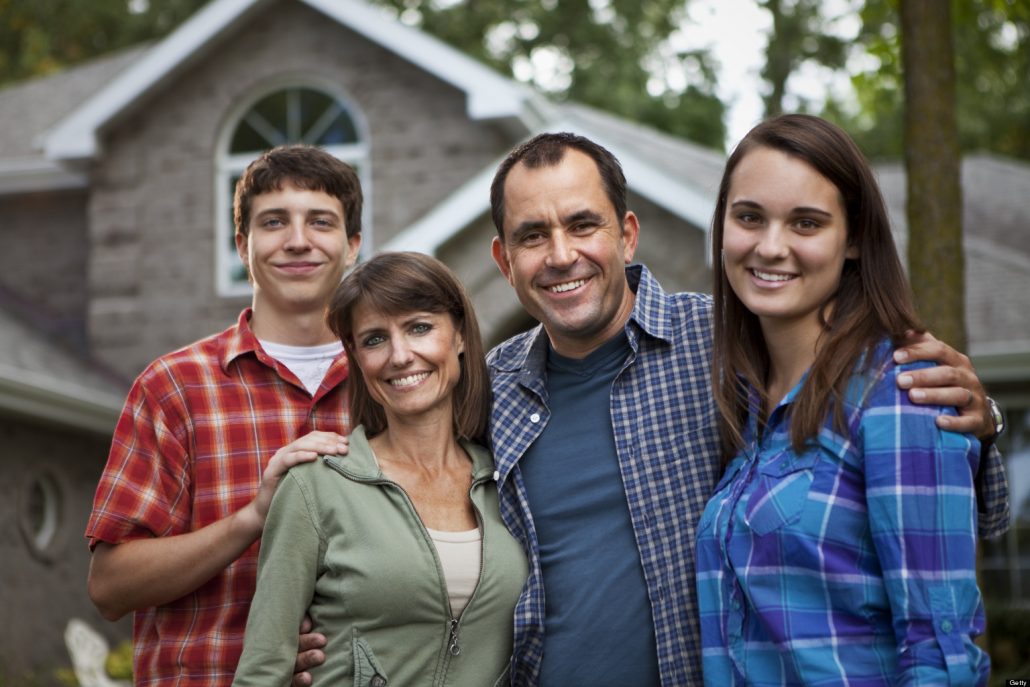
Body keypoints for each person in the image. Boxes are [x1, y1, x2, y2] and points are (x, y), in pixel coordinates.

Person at [483, 132, 1007, 686]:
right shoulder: (486, 391)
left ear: (628, 235)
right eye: (533, 235)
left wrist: (984, 420)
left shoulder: (719, 345)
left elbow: (952, 569)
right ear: (504, 260)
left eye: (583, 224)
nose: (562, 255)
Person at [696, 114, 990, 685]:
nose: (771, 246)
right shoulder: (748, 402)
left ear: (853, 238)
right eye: (749, 217)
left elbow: (940, 654)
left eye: (806, 223)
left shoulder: (901, 394)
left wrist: (990, 420)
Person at [85, 144, 359, 685]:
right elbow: (110, 586)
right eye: (274, 221)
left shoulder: (394, 382)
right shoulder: (174, 388)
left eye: (320, 222)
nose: (298, 240)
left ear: (351, 246)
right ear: (242, 245)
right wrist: (250, 519)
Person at [232, 252, 527, 685]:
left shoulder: (509, 480)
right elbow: (263, 670)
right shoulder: (316, 485)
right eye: (374, 340)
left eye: (419, 328)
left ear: (459, 336)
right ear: (356, 356)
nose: (399, 355)